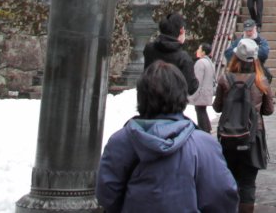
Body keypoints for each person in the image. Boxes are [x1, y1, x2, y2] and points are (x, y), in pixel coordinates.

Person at [97, 62, 238, 213]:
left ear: (141, 96)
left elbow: (107, 193)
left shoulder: (122, 141)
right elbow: (222, 195)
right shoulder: (203, 144)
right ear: (182, 95)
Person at [213, 37, 275, 213]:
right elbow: (269, 110)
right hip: (252, 137)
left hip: (228, 136)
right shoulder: (261, 81)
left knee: (230, 178)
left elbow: (217, 107)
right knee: (248, 183)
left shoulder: (225, 79)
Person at [143, 12, 199, 95]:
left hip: (150, 101)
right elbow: (191, 88)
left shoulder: (149, 49)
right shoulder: (183, 58)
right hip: (173, 104)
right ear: (181, 30)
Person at [189, 41, 216, 133]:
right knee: (202, 111)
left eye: (199, 49)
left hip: (201, 93)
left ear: (203, 52)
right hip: (207, 91)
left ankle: (204, 130)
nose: (197, 51)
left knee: (200, 111)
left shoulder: (200, 63)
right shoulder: (210, 62)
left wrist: (192, 95)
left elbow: (197, 81)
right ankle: (207, 128)